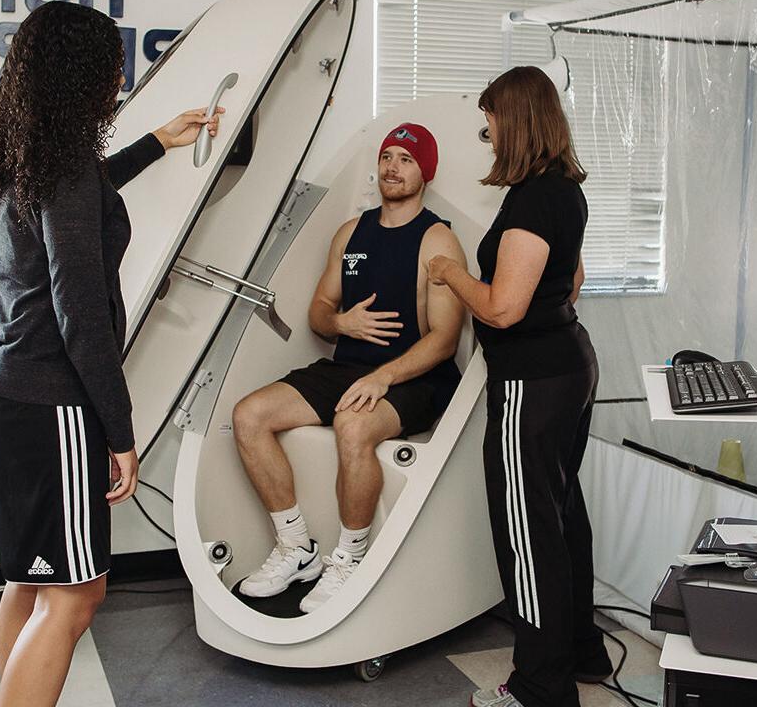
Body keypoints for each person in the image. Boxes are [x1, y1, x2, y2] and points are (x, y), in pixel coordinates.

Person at [0, 0, 221, 707]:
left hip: (0, 383)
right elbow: (83, 320)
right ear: (85, 75)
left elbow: (78, 203)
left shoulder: (27, 152)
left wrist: (155, 144)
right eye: (112, 65)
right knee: (76, 598)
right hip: (48, 397)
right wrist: (121, 433)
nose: (118, 78)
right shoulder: (66, 166)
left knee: (33, 578)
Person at [428, 67, 612, 707]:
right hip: (568, 365)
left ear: (519, 120)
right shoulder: (564, 189)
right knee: (562, 516)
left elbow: (503, 309)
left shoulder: (535, 198)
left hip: (532, 383)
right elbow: (572, 278)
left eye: (493, 120)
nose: (488, 132)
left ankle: (539, 688)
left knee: (528, 536)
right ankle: (583, 652)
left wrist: (452, 272)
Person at [233, 123, 466, 613]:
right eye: (387, 157)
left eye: (406, 158)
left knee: (353, 423)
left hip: (417, 376)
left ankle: (350, 561)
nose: (392, 167)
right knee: (249, 415)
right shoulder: (352, 231)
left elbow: (444, 342)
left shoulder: (437, 239)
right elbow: (318, 312)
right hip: (350, 366)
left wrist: (383, 377)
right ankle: (297, 547)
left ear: (426, 170)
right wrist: (343, 321)